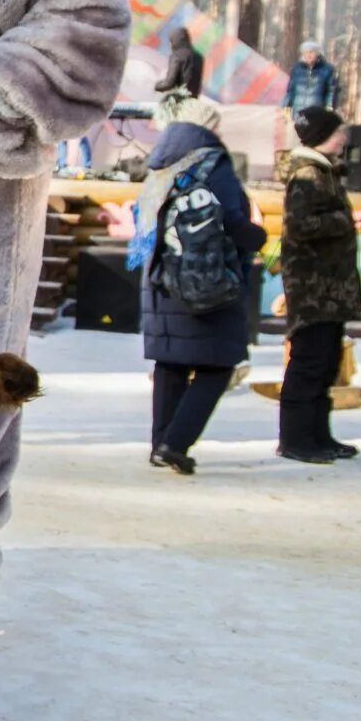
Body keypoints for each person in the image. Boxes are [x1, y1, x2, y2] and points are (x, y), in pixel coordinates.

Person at [130, 100, 266, 474]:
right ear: (208, 128)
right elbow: (232, 219)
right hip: (207, 281)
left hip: (160, 279)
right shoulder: (211, 163)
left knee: (170, 363)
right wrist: (258, 237)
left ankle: (161, 444)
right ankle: (176, 443)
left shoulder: (160, 165)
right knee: (218, 364)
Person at [275, 106, 361, 463]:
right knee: (309, 362)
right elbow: (301, 225)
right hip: (313, 286)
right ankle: (296, 438)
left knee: (326, 362)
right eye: (338, 132)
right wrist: (343, 220)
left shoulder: (323, 172)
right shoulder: (309, 174)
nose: (344, 138)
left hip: (328, 285)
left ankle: (317, 433)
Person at [284, 40, 340, 112]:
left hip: (317, 113)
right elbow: (290, 90)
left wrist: (330, 105)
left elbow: (331, 91)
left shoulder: (327, 70)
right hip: (299, 112)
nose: (308, 55)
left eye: (311, 52)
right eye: (305, 53)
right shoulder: (296, 69)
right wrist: (287, 104)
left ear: (317, 53)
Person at [156, 28, 204, 98]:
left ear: (176, 40)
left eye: (171, 41)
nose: (170, 44)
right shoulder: (199, 57)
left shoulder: (177, 56)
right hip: (193, 102)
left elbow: (169, 83)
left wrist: (156, 86)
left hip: (178, 101)